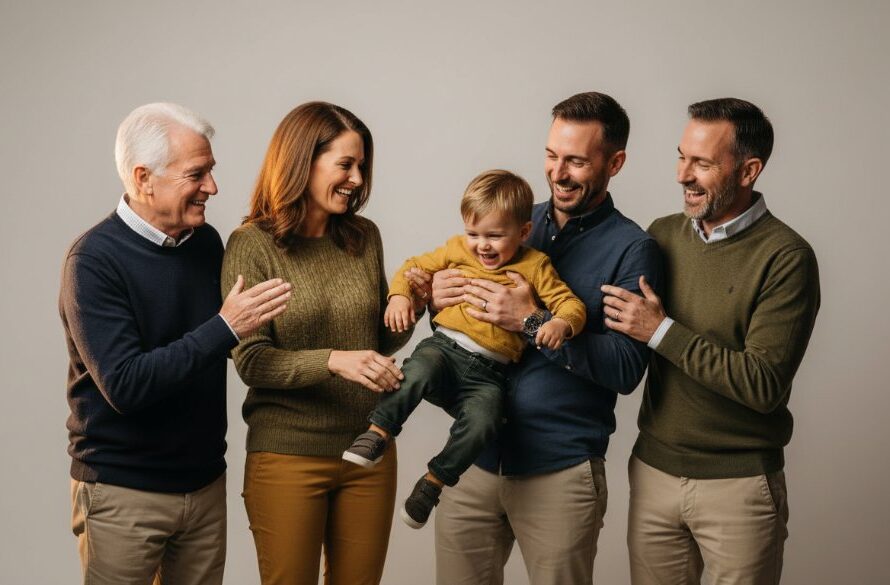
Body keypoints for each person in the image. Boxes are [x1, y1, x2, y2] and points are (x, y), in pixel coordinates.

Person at [420, 92, 662, 585]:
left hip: (559, 471)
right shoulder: (509, 220)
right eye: (552, 156)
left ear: (615, 162)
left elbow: (625, 369)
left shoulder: (632, 249)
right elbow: (459, 322)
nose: (558, 173)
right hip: (474, 461)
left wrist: (531, 323)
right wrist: (437, 301)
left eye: (576, 160)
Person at [60, 102, 292, 585]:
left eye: (211, 171)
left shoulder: (205, 244)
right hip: (123, 493)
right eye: (197, 173)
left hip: (205, 486)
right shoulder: (92, 262)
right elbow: (125, 386)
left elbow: (238, 346)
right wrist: (225, 327)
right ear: (144, 179)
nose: (212, 187)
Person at [601, 98, 820, 585]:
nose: (683, 174)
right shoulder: (661, 236)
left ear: (749, 170)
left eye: (702, 163)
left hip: (738, 487)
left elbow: (763, 384)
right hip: (653, 472)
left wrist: (660, 330)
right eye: (681, 156)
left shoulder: (786, 257)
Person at [221, 101, 413, 585]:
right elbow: (252, 361)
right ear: (302, 162)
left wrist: (415, 305)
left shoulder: (364, 237)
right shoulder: (252, 245)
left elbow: (374, 343)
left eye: (361, 166)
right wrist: (332, 361)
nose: (356, 178)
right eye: (345, 164)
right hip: (288, 456)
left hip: (368, 451)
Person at [342, 169, 587, 529]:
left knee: (486, 420)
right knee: (417, 371)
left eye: (494, 236)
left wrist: (557, 324)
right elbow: (413, 268)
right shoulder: (457, 249)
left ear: (523, 232)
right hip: (444, 348)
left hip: (490, 373)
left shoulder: (536, 266)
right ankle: (378, 433)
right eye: (473, 233)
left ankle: (433, 483)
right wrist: (399, 296)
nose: (482, 245)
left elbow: (572, 305)